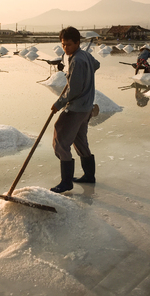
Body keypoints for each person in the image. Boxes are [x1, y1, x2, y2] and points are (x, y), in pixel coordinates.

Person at [50, 26, 100, 194]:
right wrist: (85, 73)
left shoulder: (77, 60)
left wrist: (58, 103)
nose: (65, 48)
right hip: (86, 107)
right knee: (79, 140)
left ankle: (66, 182)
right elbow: (97, 64)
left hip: (77, 108)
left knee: (60, 141)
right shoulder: (84, 56)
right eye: (63, 45)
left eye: (69, 45)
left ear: (78, 42)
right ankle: (89, 175)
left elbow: (74, 91)